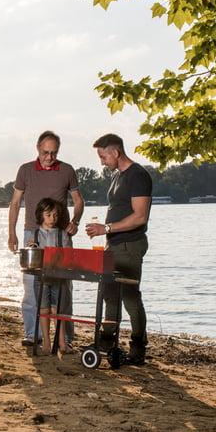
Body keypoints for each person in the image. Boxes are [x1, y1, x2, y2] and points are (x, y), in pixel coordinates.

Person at [8, 130, 84, 346]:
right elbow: (15, 203)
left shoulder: (67, 170)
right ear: (38, 148)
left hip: (61, 235)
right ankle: (33, 334)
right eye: (45, 152)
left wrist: (75, 221)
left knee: (63, 288)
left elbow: (78, 200)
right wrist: (11, 232)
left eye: (53, 153)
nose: (49, 157)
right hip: (32, 233)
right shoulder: (25, 170)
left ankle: (66, 337)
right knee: (32, 285)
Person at [86, 133, 152, 365]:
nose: (102, 161)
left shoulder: (138, 175)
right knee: (108, 293)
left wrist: (106, 228)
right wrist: (105, 234)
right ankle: (107, 341)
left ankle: (138, 348)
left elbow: (140, 217)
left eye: (103, 156)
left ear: (115, 152)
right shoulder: (117, 176)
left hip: (130, 244)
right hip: (113, 244)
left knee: (130, 297)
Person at [28, 198, 73, 354]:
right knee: (44, 309)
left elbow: (69, 257)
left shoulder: (63, 235)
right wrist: (31, 248)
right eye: (48, 215)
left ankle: (61, 342)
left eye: (55, 215)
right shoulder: (35, 234)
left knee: (58, 310)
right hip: (41, 277)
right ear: (41, 215)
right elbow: (31, 256)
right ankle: (46, 341)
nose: (52, 218)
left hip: (59, 278)